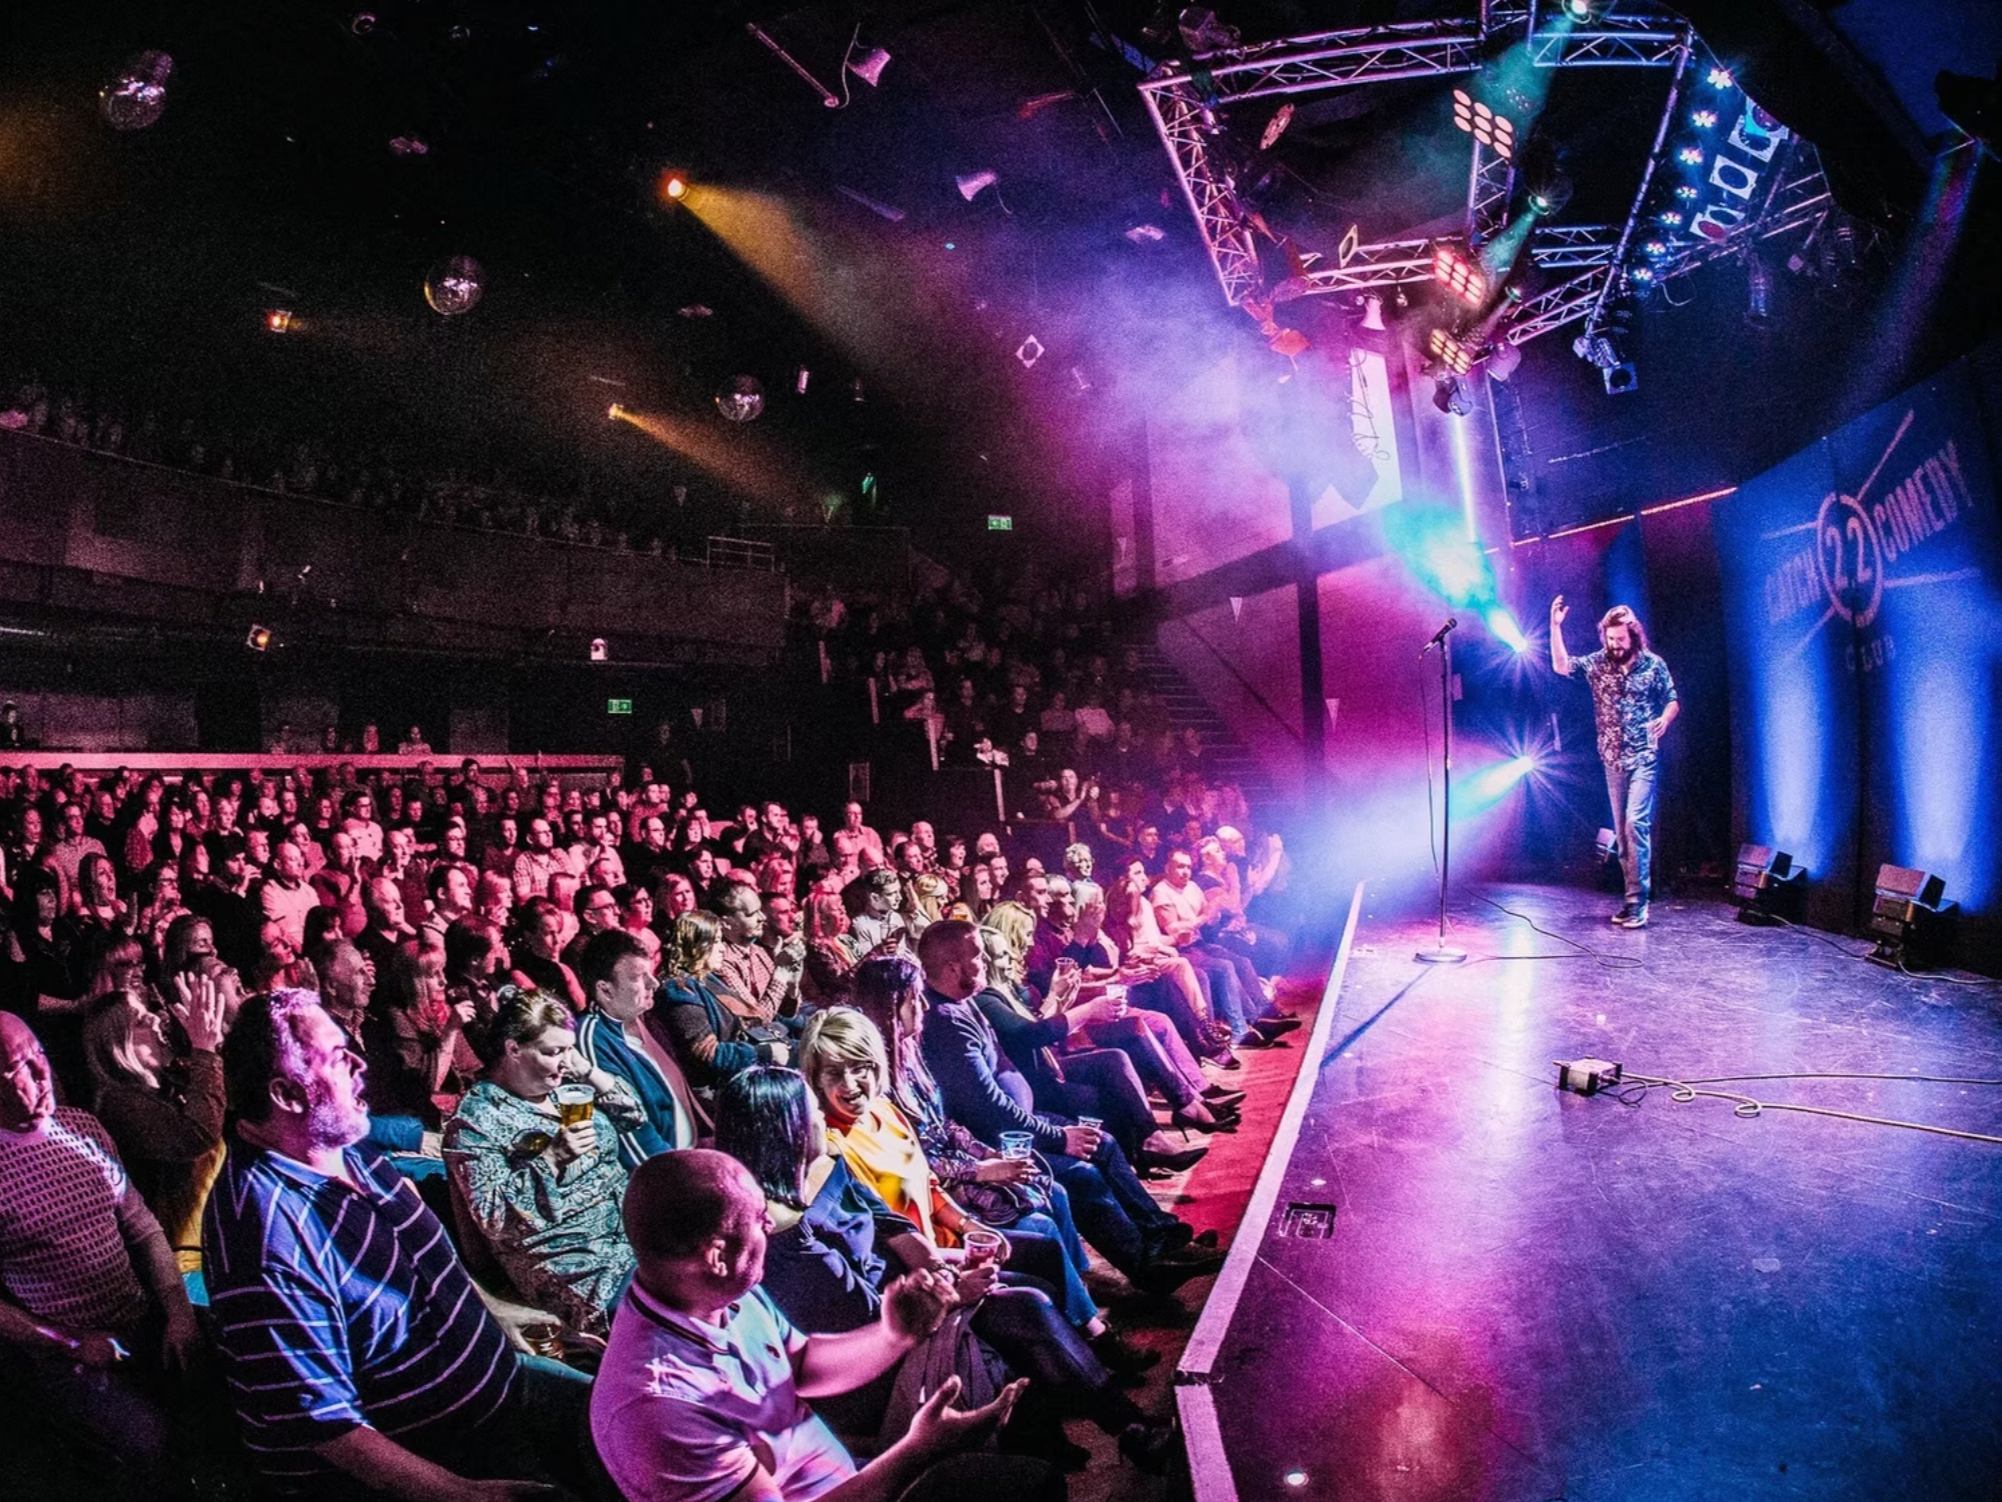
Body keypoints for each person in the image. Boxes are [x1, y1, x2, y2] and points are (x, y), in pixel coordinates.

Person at [203, 988, 591, 1501]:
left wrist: (495, 1313)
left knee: (651, 1416)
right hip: (434, 1458)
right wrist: (463, 1494)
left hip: (494, 1381)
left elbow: (423, 1261)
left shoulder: (341, 1145)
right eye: (340, 1057)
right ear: (287, 1095)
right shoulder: (264, 1234)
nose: (361, 1065)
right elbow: (326, 1428)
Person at [714, 1067, 1172, 1470]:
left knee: (1029, 1282)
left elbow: (890, 1222)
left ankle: (1059, 1438)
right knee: (1024, 1306)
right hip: (870, 1361)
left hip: (907, 1298)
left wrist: (942, 1264)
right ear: (786, 1130)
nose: (821, 1118)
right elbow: (863, 1315)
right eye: (811, 1109)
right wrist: (954, 1292)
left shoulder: (823, 1163)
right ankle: (1126, 1428)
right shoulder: (780, 1234)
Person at [590, 1147, 1052, 1502]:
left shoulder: (721, 1291)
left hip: (845, 1474)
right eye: (755, 1217)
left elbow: (803, 1365)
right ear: (716, 1254)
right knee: (1028, 1485)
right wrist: (918, 1450)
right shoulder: (658, 1406)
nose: (769, 1222)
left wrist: (895, 1334)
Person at [915, 921, 1222, 1297]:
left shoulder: (963, 1002)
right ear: (952, 968)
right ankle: (1146, 1267)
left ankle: (1166, 1240)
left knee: (1103, 1143)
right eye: (977, 956)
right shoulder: (945, 1023)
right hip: (998, 1142)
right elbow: (990, 1109)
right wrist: (1059, 1138)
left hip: (1020, 1124)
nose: (984, 963)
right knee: (1080, 1173)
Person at [0, 1012, 207, 1492]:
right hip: (63, 1350)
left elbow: (144, 1229)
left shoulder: (83, 1128)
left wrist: (178, 1311)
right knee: (146, 1445)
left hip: (139, 1317)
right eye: (18, 1068)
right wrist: (68, 1341)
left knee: (234, 1371)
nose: (41, 1073)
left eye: (40, 1057)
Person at [446, 987, 645, 1336]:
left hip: (633, 1225)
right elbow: (494, 1218)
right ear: (514, 1049)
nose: (564, 1062)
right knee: (669, 1298)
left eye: (569, 1050)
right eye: (553, 1052)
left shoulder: (562, 1086)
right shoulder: (477, 1122)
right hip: (576, 1258)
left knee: (715, 1254)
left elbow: (633, 1114)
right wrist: (551, 1159)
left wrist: (582, 1066)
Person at [81, 970, 229, 1262]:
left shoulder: (172, 1080)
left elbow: (229, 1106)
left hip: (207, 1236)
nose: (153, 1018)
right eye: (139, 1021)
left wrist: (202, 1044)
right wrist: (204, 1050)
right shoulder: (120, 1104)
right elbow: (197, 1135)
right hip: (179, 1258)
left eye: (147, 1011)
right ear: (117, 1048)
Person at [1551, 597, 1679, 928]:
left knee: (1636, 823)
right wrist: (1555, 627)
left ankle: (1639, 903)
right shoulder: (1597, 664)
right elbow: (1561, 665)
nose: (1615, 645)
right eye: (1610, 639)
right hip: (1611, 758)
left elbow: (1672, 700)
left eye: (1620, 639)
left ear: (1633, 635)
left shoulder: (1653, 665)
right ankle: (1630, 900)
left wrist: (1664, 719)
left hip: (1643, 756)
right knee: (1622, 835)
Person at [575, 927, 701, 1157]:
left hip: (687, 1154)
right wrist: (679, 1176)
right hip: (663, 1171)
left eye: (650, 973)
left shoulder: (647, 1020)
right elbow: (631, 1132)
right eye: (638, 977)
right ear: (605, 990)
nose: (654, 983)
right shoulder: (592, 1040)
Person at [655, 911, 793, 1105]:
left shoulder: (705, 979)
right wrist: (763, 1054)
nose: (722, 949)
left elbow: (753, 1018)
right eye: (716, 942)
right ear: (697, 945)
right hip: (713, 1094)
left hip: (734, 1077)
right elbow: (707, 1054)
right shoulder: (678, 989)